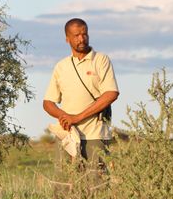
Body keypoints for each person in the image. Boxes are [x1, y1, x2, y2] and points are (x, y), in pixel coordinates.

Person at [43, 18, 119, 168]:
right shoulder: (61, 66)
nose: (82, 39)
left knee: (96, 183)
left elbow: (111, 93)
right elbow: (48, 103)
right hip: (67, 136)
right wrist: (64, 117)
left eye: (84, 34)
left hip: (94, 134)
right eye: (76, 35)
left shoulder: (101, 60)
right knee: (63, 184)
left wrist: (76, 118)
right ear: (67, 39)